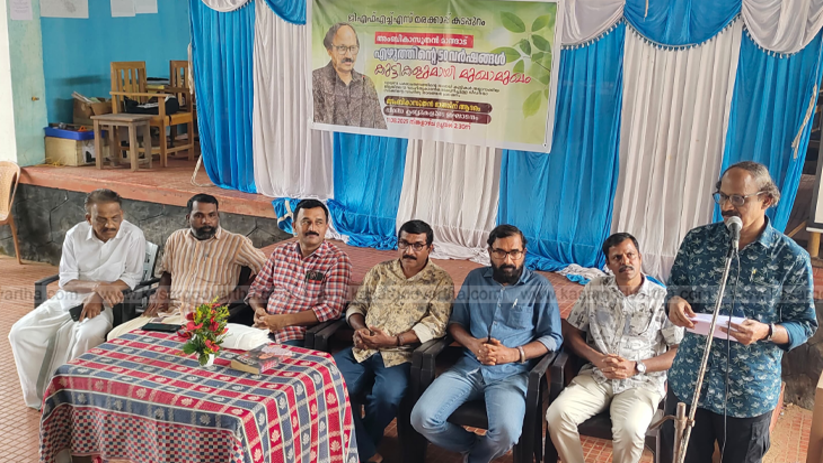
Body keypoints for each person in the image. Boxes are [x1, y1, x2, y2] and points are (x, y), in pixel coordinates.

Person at [662, 161, 817, 463]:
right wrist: (675, 303)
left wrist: (767, 331)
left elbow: (804, 324)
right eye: (722, 196)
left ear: (766, 200)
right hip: (691, 383)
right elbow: (675, 289)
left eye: (739, 199)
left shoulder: (791, 258)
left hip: (749, 394)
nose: (727, 207)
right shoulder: (698, 241)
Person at [411, 224, 563, 463]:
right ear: (490, 252)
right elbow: (455, 323)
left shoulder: (539, 287)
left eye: (515, 252)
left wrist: (513, 354)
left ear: (524, 252)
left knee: (506, 433)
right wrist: (472, 344)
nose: (508, 259)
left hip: (511, 375)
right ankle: (474, 447)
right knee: (421, 418)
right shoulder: (475, 279)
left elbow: (553, 337)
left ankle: (476, 459)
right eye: (500, 252)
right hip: (468, 368)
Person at [546, 233, 683, 463]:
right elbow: (571, 331)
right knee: (557, 415)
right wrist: (596, 358)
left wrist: (636, 367)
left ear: (639, 258)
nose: (625, 261)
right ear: (608, 264)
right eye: (617, 257)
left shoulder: (661, 298)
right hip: (597, 377)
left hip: (641, 383)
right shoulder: (594, 289)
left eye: (630, 255)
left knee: (630, 431)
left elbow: (678, 350)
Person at [9, 189, 145, 409]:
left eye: (115, 218)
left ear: (122, 214)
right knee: (20, 332)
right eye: (101, 219)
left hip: (106, 304)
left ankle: (74, 403)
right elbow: (66, 280)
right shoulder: (74, 235)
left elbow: (132, 276)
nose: (109, 225)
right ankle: (41, 398)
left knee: (87, 335)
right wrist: (97, 286)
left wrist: (100, 294)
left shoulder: (133, 235)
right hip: (67, 299)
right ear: (88, 218)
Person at [333, 220, 454, 463]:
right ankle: (368, 454)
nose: (410, 251)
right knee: (325, 384)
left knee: (386, 398)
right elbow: (357, 305)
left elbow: (437, 323)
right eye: (404, 244)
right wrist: (359, 329)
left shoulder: (441, 280)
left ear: (430, 248)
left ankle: (354, 449)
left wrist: (394, 340)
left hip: (400, 356)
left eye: (417, 246)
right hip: (362, 349)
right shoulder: (380, 271)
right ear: (397, 244)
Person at [107, 193, 267, 340]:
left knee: (162, 345)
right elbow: (167, 273)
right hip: (168, 312)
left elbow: (267, 271)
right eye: (199, 216)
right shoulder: (176, 239)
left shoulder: (236, 243)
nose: (207, 221)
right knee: (115, 336)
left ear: (217, 216)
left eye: (212, 215)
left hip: (203, 316)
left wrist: (234, 296)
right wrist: (161, 291)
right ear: (188, 217)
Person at [246, 199, 352, 347]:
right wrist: (259, 311)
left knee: (274, 367)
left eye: (319, 222)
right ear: (294, 226)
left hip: (297, 335)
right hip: (264, 327)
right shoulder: (281, 252)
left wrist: (283, 320)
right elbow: (257, 289)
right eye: (305, 222)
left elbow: (332, 308)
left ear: (326, 228)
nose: (312, 228)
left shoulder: (336, 260)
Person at [312, 22, 387, 129]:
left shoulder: (366, 83)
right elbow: (315, 125)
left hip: (361, 144)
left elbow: (380, 127)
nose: (349, 55)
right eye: (342, 48)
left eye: (353, 48)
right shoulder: (316, 79)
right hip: (331, 143)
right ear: (329, 51)